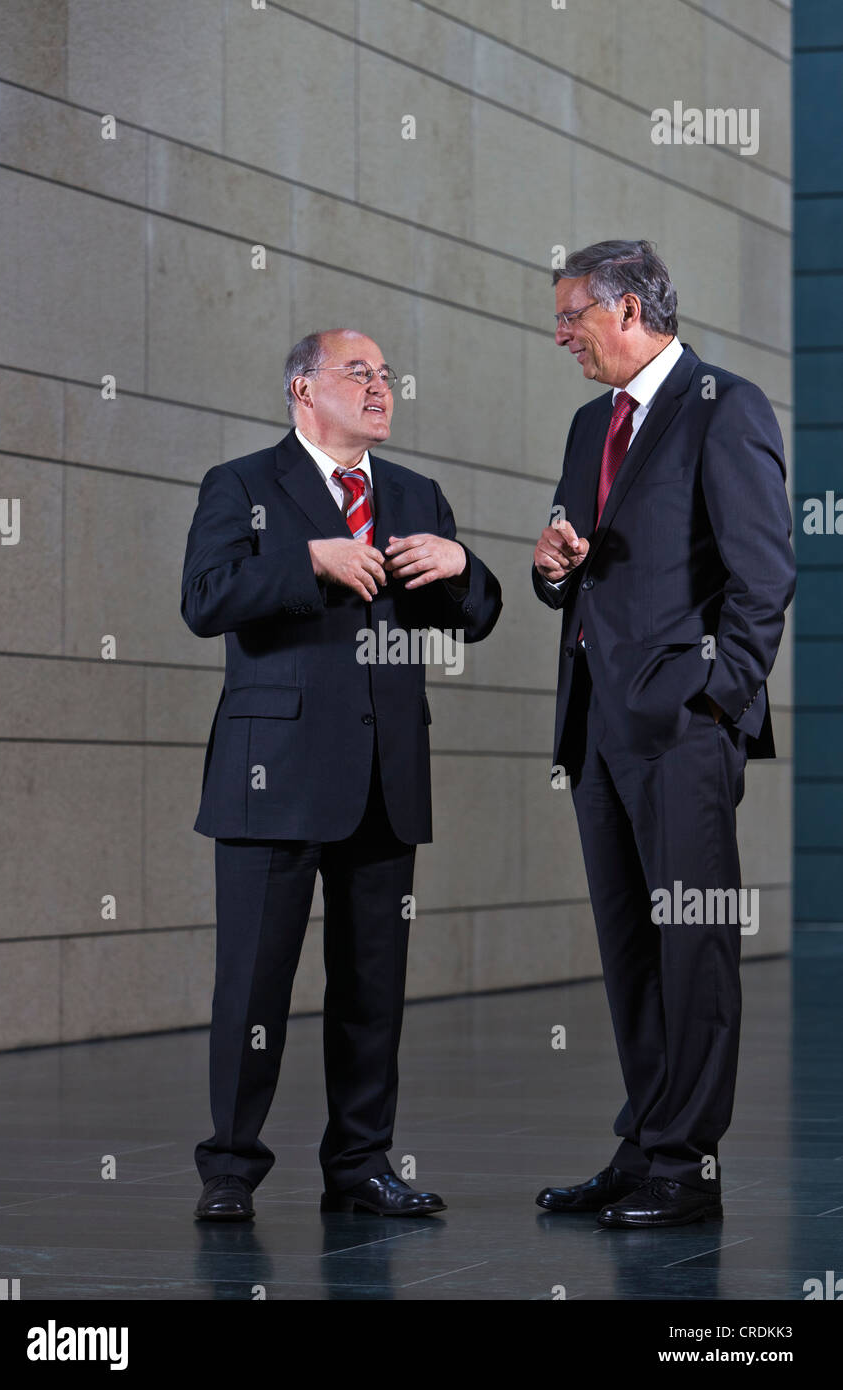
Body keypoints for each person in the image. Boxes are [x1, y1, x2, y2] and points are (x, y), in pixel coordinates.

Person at [182, 328, 502, 1220]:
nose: (378, 387)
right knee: (254, 982)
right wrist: (307, 562)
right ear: (300, 390)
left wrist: (463, 567)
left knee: (372, 988)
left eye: (385, 375)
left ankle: (359, 1166)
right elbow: (204, 600)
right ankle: (231, 1171)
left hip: (384, 777)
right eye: (356, 373)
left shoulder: (413, 493)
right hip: (270, 774)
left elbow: (474, 616)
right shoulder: (242, 485)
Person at [532, 241, 796, 1228]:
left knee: (693, 947)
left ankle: (685, 1167)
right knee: (631, 948)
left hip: (681, 731)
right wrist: (554, 568)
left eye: (572, 317)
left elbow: (762, 577)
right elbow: (580, 570)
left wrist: (715, 707)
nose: (559, 335)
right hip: (596, 728)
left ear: (632, 308)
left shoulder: (725, 407)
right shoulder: (585, 425)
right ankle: (644, 1143)